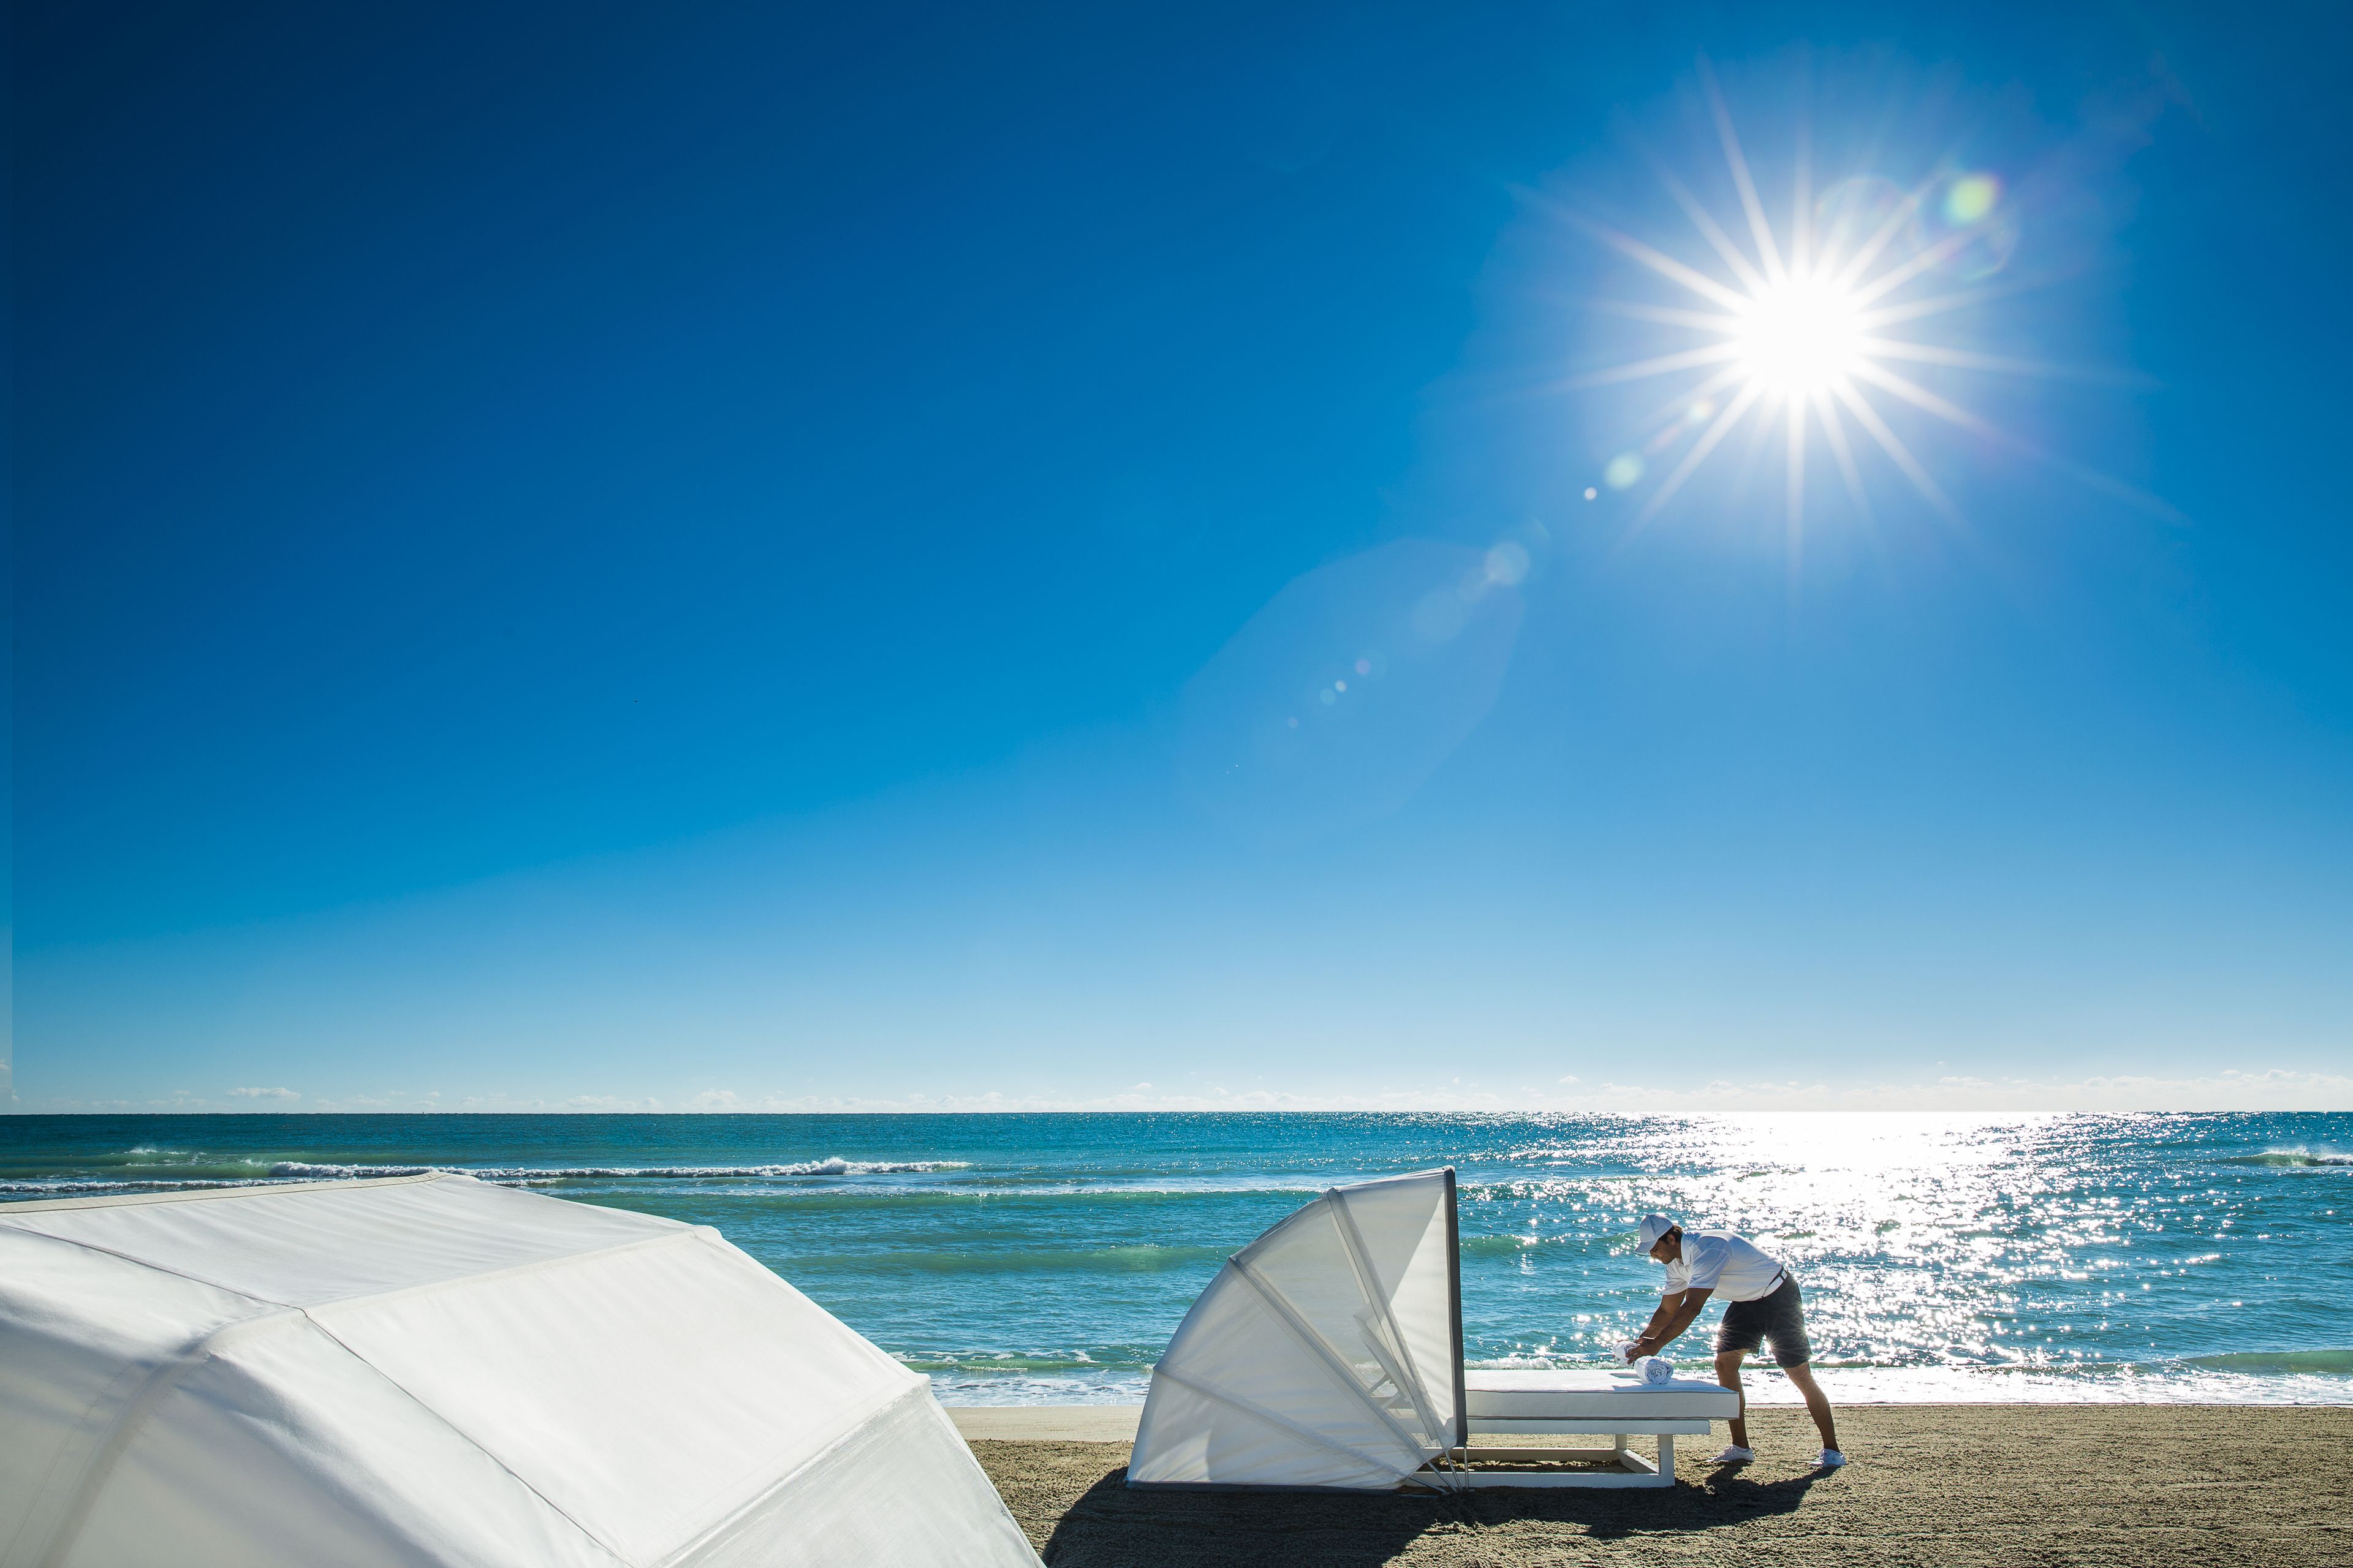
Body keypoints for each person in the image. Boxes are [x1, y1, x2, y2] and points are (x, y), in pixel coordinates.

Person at [1624, 1212, 1845, 1469]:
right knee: (1725, 1364)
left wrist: (1655, 1346)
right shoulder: (1675, 1264)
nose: (1652, 1255)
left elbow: (1692, 1307)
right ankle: (1741, 1448)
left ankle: (1832, 1452)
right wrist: (1643, 1342)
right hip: (1746, 1302)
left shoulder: (1708, 1248)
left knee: (1799, 1374)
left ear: (1671, 1239)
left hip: (1778, 1295)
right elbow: (1667, 1310)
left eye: (1654, 1249)